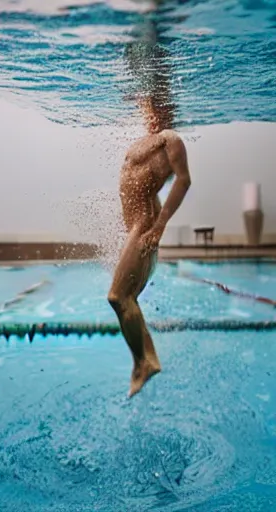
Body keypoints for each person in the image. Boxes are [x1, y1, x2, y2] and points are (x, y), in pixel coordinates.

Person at [108, 11, 191, 397]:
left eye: (155, 103)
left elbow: (184, 181)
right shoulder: (149, 139)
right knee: (126, 298)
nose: (149, 108)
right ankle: (149, 358)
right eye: (146, 104)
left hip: (144, 230)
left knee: (117, 297)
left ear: (167, 106)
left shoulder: (171, 139)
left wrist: (157, 229)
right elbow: (148, 185)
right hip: (139, 227)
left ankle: (143, 362)